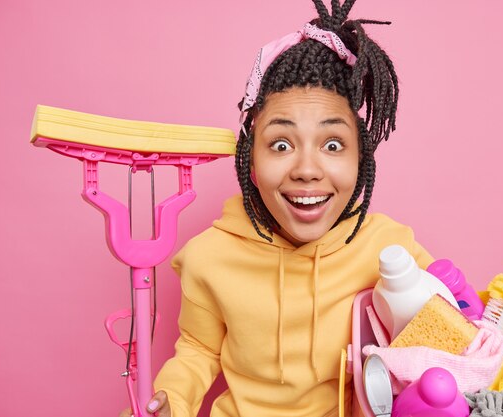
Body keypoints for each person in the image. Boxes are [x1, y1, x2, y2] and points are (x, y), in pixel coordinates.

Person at [118, 1, 433, 416]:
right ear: (250, 160)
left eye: (333, 145)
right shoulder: (209, 257)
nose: (306, 170)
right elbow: (197, 349)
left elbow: (447, 331)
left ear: (362, 161)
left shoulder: (391, 249)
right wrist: (172, 400)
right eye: (281, 145)